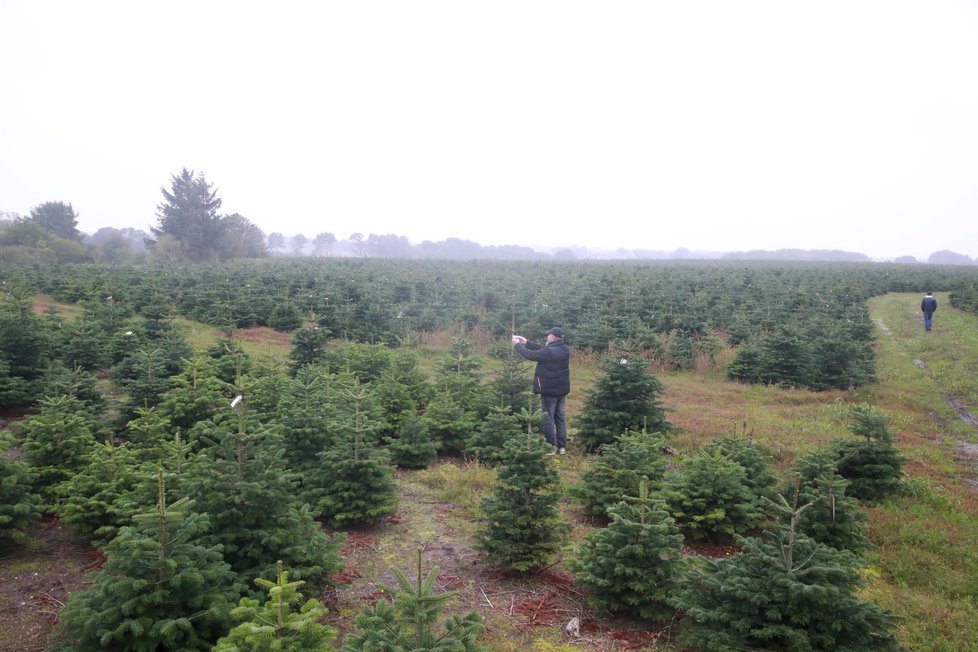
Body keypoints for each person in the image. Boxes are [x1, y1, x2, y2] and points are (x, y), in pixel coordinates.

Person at [512, 327, 570, 455]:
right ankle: (562, 447)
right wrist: (526, 342)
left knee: (548, 417)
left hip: (549, 391)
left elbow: (530, 355)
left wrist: (517, 346)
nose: (547, 337)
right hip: (562, 390)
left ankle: (550, 446)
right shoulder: (565, 349)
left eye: (549, 335)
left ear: (553, 337)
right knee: (560, 417)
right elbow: (544, 350)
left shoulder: (549, 351)